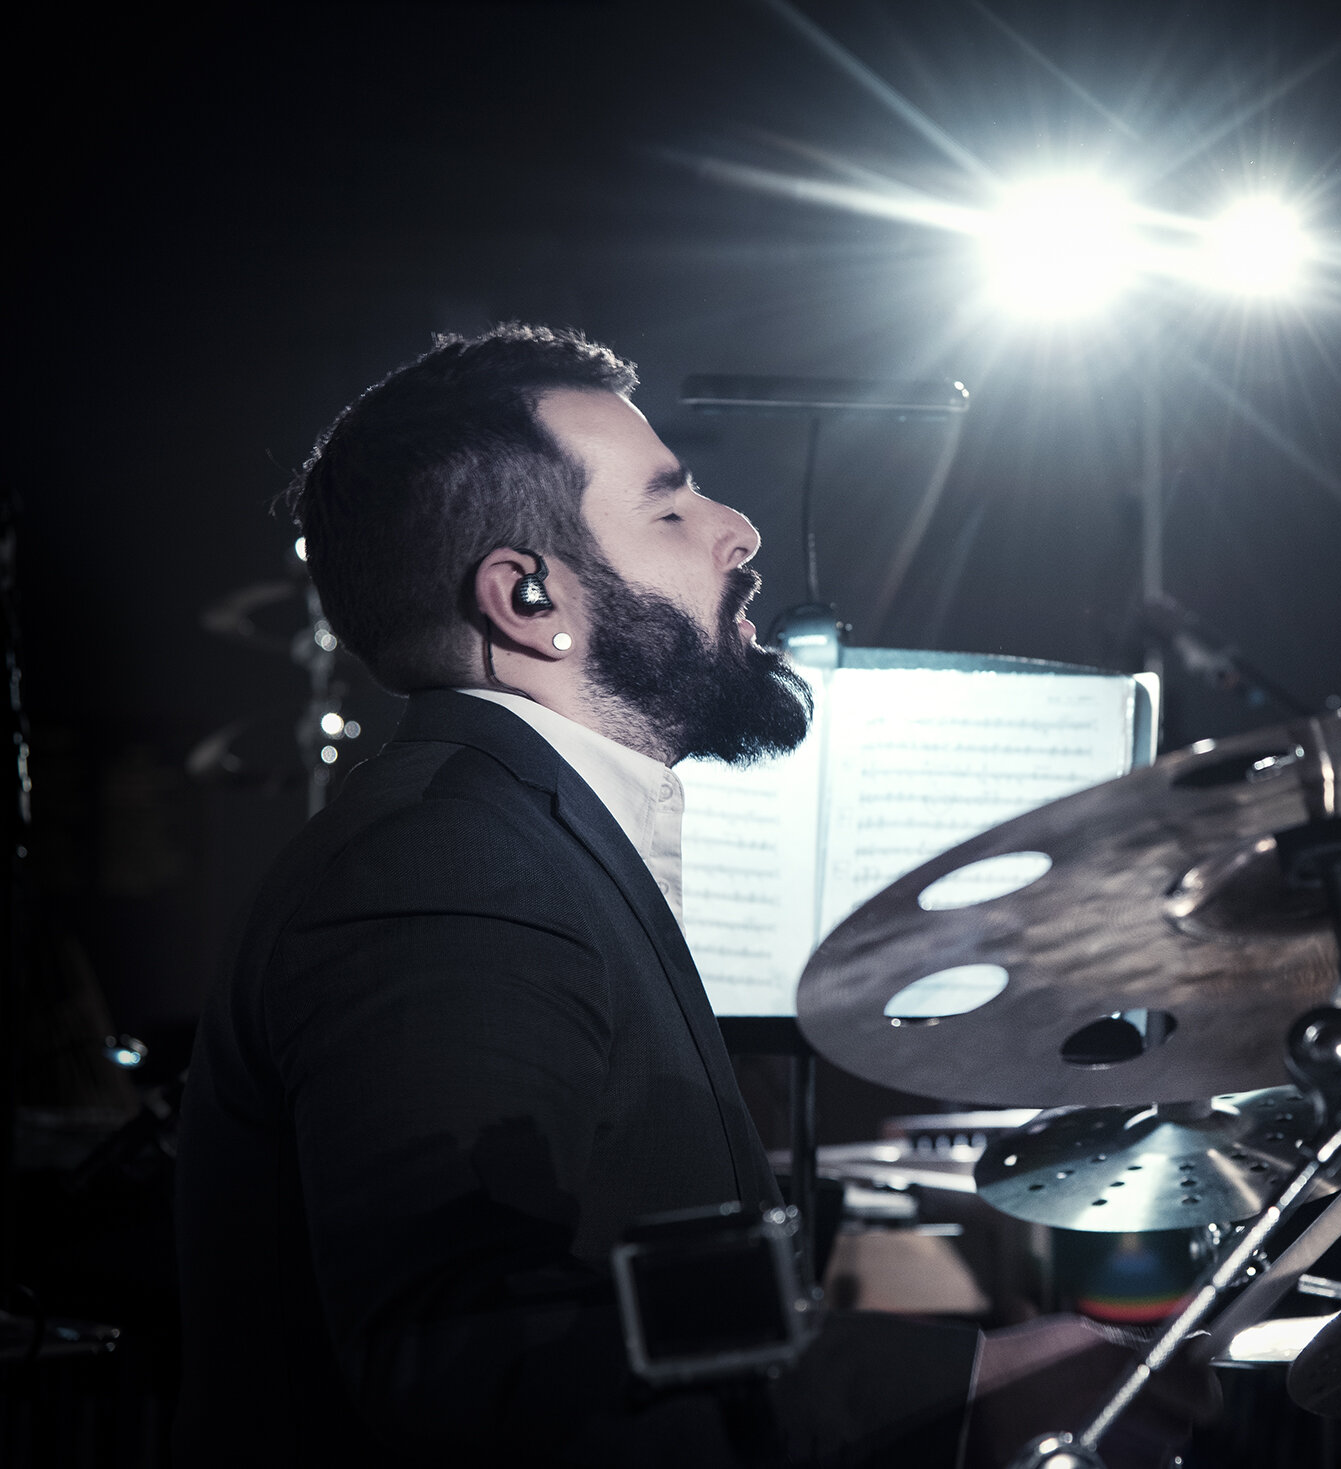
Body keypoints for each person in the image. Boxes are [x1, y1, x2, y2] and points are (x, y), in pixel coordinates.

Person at [175, 324, 1208, 1467]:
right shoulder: (447, 870)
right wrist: (963, 1386)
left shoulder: (507, 836)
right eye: (669, 508)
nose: (739, 530)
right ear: (527, 597)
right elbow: (480, 1360)